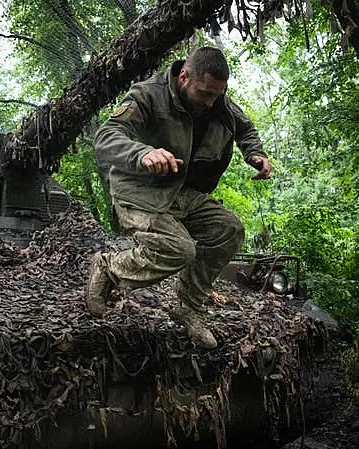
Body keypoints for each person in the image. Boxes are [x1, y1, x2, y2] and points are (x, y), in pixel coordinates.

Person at [87, 47, 272, 349]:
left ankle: (188, 305)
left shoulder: (219, 103)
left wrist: (255, 153)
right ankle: (109, 267)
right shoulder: (148, 95)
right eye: (205, 93)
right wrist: (143, 153)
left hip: (185, 193)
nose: (211, 102)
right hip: (140, 191)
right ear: (184, 76)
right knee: (179, 249)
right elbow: (106, 138)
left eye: (217, 95)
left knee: (228, 229)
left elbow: (244, 127)